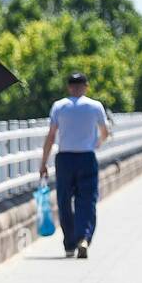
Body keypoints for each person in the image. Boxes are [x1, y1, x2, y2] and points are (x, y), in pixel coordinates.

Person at [38, 72, 111, 259]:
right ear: (86, 86)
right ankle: (84, 237)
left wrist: (43, 162)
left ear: (69, 87)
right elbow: (105, 132)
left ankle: (69, 243)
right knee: (87, 200)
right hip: (86, 157)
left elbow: (51, 135)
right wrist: (97, 143)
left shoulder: (59, 106)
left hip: (65, 158)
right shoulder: (95, 106)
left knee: (64, 201)